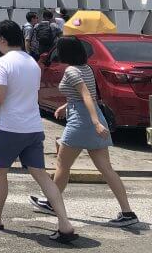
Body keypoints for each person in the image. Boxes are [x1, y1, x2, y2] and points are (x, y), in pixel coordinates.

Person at [0, 20, 76, 243]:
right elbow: (25, 94)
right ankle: (64, 223)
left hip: (9, 127)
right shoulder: (32, 63)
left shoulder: (2, 63)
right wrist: (0, 101)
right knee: (41, 175)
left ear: (2, 39)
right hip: (33, 127)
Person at [29, 38, 138, 228]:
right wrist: (66, 106)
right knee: (106, 168)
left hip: (81, 122)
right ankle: (128, 213)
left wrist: (94, 122)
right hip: (89, 118)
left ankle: (52, 202)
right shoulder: (86, 68)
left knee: (63, 164)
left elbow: (86, 95)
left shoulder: (71, 71)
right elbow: (87, 95)